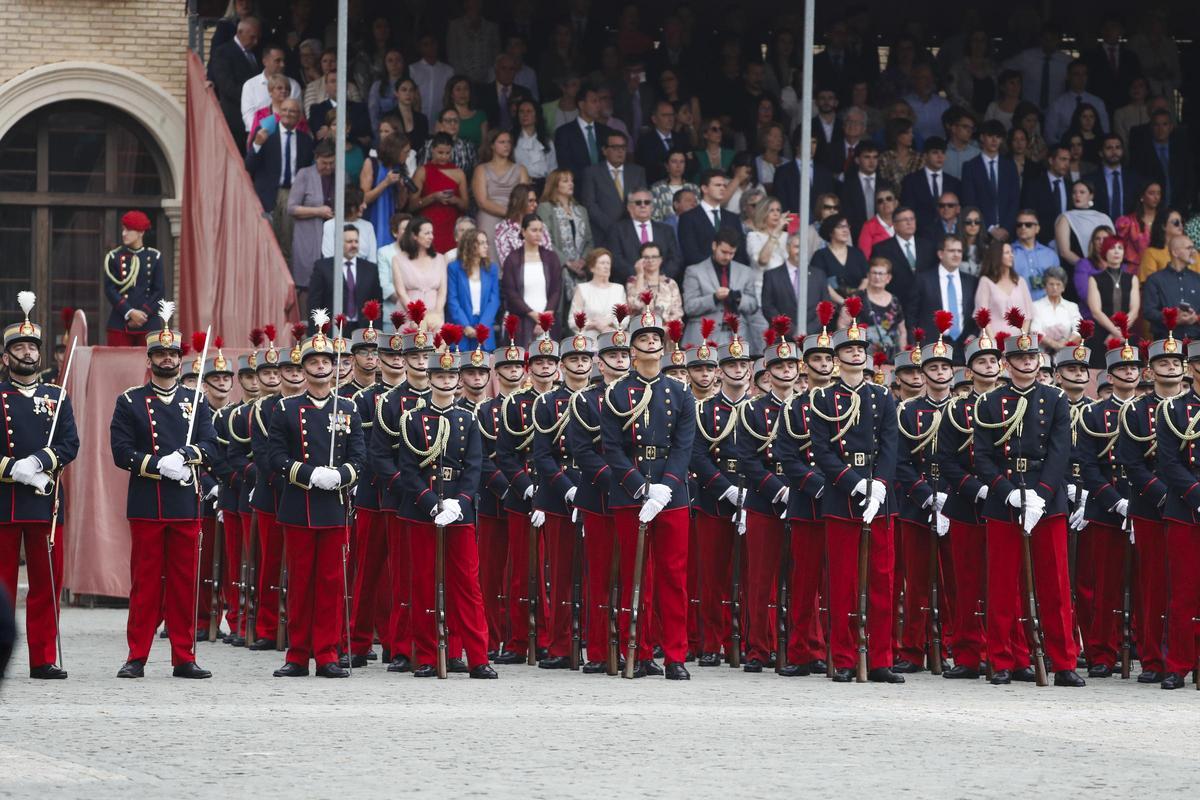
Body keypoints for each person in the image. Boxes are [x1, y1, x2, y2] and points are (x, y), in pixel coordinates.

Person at [973, 313, 1083, 686]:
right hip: (1006, 498)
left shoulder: (1054, 399)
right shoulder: (989, 403)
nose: (1026, 363)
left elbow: (1059, 451)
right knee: (1003, 585)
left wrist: (1041, 495)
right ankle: (1002, 660)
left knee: (1054, 583)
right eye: (1019, 359)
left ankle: (1064, 662)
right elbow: (983, 456)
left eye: (1032, 358)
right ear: (1007, 363)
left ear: (1039, 360)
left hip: (1046, 498)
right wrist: (1010, 494)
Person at [111, 303, 217, 679]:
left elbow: (211, 444)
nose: (168, 360)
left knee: (184, 584)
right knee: (144, 584)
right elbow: (121, 452)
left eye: (173, 354)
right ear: (150, 358)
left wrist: (186, 454)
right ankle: (136, 655)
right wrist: (158, 465)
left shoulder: (197, 401)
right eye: (161, 354)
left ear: (180, 359)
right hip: (146, 504)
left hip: (185, 503)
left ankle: (184, 656)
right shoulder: (130, 402)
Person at [386, 329, 496, 679]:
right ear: (430, 379)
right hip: (423, 512)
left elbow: (474, 467)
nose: (446, 381)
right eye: (440, 375)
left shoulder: (467, 420)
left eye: (452, 375)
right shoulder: (412, 420)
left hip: (459, 514)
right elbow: (407, 469)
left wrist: (458, 503)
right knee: (423, 585)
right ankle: (429, 655)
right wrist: (433, 503)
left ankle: (478, 656)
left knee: (467, 586)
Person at [598, 301, 697, 680]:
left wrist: (665, 489)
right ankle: (636, 651)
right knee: (637, 576)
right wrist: (641, 487)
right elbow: (613, 447)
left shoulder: (680, 393)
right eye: (644, 338)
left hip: (671, 496)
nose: (651, 343)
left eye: (657, 337)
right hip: (631, 492)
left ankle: (675, 654)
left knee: (674, 575)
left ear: (666, 347)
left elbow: (684, 445)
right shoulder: (617, 394)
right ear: (633, 350)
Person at [264, 315, 364, 679]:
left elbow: (360, 457)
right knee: (301, 583)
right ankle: (297, 654)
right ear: (303, 369)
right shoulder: (285, 409)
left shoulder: (349, 408)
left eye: (326, 362)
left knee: (331, 584)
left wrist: (340, 476)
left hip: (335, 506)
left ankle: (327, 654)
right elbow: (274, 457)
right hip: (299, 506)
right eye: (313, 362)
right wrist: (309, 475)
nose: (320, 367)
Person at [807, 311, 902, 683]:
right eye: (849, 348)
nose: (856, 354)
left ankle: (880, 658)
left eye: (861, 348)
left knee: (882, 580)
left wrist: (879, 484)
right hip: (842, 496)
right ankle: (844, 657)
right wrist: (855, 483)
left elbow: (891, 446)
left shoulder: (881, 396)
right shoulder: (824, 399)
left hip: (880, 498)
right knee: (843, 582)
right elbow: (822, 451)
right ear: (837, 357)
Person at [0, 293, 79, 679]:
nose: (27, 352)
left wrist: (40, 462)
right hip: (3, 502)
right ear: (5, 358)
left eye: (32, 346)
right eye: (19, 347)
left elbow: (70, 443)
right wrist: (13, 468)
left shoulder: (57, 396)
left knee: (47, 586)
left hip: (45, 502)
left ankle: (42, 658)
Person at [935, 322, 1002, 679]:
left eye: (994, 360)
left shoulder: (1011, 405)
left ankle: (1003, 651)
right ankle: (967, 653)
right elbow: (946, 459)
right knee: (965, 582)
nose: (989, 366)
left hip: (1004, 503)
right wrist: (976, 488)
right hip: (966, 501)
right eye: (982, 361)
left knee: (1005, 585)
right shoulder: (956, 410)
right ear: (968, 370)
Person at [1152, 339, 1200, 689]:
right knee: (1182, 591)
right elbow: (1167, 462)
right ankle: (1178, 663)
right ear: (1192, 368)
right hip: (1186, 507)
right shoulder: (1172, 410)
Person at [682, 228, 760, 346]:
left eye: (732, 253)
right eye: (724, 252)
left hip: (738, 336)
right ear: (714, 246)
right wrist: (714, 297)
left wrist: (739, 298)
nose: (728, 257)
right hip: (704, 336)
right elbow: (689, 307)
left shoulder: (746, 271)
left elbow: (753, 306)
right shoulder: (694, 271)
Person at [104, 211, 165, 347]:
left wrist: (142, 315)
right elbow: (110, 289)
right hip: (120, 322)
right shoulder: (114, 257)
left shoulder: (155, 256)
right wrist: (130, 312)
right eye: (123, 229)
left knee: (150, 365)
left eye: (129, 229)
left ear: (141, 232)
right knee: (119, 365)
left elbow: (159, 291)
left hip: (149, 322)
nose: (124, 233)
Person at [501, 215, 563, 345]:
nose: (538, 234)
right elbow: (510, 293)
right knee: (523, 361)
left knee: (549, 359)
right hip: (522, 319)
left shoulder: (551, 257)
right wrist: (534, 315)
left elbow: (556, 290)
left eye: (541, 230)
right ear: (523, 231)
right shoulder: (512, 259)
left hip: (548, 318)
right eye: (534, 230)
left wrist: (545, 318)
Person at [309, 226, 385, 334]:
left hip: (363, 330)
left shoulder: (370, 269)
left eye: (356, 241)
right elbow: (314, 303)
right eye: (349, 241)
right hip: (332, 330)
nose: (354, 245)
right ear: (339, 243)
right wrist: (315, 333)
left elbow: (377, 303)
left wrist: (377, 331)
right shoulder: (322, 267)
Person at [579, 130, 647, 248]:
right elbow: (589, 204)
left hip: (631, 233)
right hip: (602, 234)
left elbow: (642, 201)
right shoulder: (591, 172)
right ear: (604, 150)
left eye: (623, 147)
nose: (620, 151)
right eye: (615, 147)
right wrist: (611, 227)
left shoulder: (637, 172)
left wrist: (628, 226)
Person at [288, 139, 337, 299]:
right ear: (316, 158)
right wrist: (318, 211)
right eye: (324, 163)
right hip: (308, 237)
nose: (328, 167)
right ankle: (305, 322)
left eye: (332, 163)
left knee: (331, 284)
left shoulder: (341, 176)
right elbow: (291, 208)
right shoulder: (305, 174)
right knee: (306, 285)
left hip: (332, 238)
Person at [472, 129, 530, 254]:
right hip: (489, 215)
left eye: (509, 142)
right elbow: (482, 201)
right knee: (489, 253)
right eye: (502, 142)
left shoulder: (521, 169)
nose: (506, 145)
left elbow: (525, 198)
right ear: (492, 145)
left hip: (516, 218)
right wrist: (509, 213)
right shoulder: (481, 169)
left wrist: (514, 215)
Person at [410, 133, 469, 253]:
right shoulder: (422, 171)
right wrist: (433, 197)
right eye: (440, 153)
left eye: (447, 153)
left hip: (450, 225)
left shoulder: (459, 173)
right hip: (429, 225)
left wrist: (455, 200)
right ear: (432, 150)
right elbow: (412, 205)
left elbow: (466, 205)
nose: (444, 157)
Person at [961, 119, 1020, 238]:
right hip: (980, 232)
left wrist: (1006, 228)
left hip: (1007, 233)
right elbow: (970, 202)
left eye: (998, 137)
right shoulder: (970, 167)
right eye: (990, 136)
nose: (994, 140)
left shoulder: (1009, 166)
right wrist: (990, 228)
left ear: (1002, 139)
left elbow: (1015, 200)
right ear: (982, 137)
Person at [838, 256, 907, 358]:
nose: (877, 277)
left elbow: (902, 331)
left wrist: (903, 357)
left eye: (881, 274)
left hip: (891, 359)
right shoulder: (856, 298)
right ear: (868, 275)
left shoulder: (894, 301)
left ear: (888, 278)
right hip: (862, 358)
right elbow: (842, 325)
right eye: (874, 273)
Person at [609, 188, 681, 285]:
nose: (643, 205)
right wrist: (639, 276)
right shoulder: (617, 230)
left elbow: (675, 258)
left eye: (647, 202)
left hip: (662, 285)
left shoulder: (666, 230)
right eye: (638, 203)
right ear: (629, 207)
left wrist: (659, 276)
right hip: (629, 285)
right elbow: (616, 258)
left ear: (652, 207)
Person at [209, 15, 262, 143]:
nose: (256, 42)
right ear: (240, 32)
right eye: (252, 37)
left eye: (257, 38)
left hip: (255, 119)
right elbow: (227, 86)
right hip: (235, 120)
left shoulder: (255, 54)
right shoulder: (223, 52)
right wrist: (252, 98)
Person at [446, 228, 501, 351]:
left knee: (484, 368)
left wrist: (482, 327)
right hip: (462, 327)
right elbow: (452, 300)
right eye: (481, 243)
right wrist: (465, 326)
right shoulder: (454, 268)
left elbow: (494, 300)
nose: (486, 246)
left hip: (484, 326)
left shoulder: (491, 269)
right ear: (469, 245)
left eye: (486, 243)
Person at [390, 217, 448, 331]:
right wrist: (417, 317)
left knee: (436, 348)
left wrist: (437, 314)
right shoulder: (398, 259)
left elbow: (442, 291)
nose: (431, 236)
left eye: (432, 233)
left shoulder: (440, 259)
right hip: (409, 317)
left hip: (435, 318)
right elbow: (401, 292)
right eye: (427, 233)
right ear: (414, 235)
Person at [678, 170, 743, 267]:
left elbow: (741, 251)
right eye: (718, 185)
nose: (722, 188)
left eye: (724, 186)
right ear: (704, 188)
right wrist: (715, 267)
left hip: (731, 275)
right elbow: (690, 253)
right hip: (701, 275)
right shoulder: (687, 218)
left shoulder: (733, 218)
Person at [359, 132, 412, 251]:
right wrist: (386, 183)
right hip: (372, 219)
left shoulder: (400, 168)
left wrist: (402, 189)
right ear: (395, 150)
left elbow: (400, 205)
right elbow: (363, 199)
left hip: (391, 223)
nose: (408, 156)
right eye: (405, 152)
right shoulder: (371, 163)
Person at [1087, 235, 1141, 354]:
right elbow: (1096, 312)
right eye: (1112, 247)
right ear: (1105, 251)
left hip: (1126, 335)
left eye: (1120, 248)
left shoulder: (1132, 279)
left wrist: (1118, 333)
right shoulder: (1095, 279)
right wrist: (1115, 333)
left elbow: (1134, 310)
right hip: (1102, 335)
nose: (1116, 251)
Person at [1142, 235, 1200, 341]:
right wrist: (1172, 318)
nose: (1193, 252)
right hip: (1166, 343)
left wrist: (1195, 318)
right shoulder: (1155, 279)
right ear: (1175, 252)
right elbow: (1148, 312)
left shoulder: (1197, 279)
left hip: (1196, 342)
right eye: (1189, 248)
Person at [902, 137, 962, 237]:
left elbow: (958, 212)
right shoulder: (911, 181)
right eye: (935, 152)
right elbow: (908, 210)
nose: (940, 156)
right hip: (920, 235)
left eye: (943, 153)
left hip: (949, 236)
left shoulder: (954, 182)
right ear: (925, 156)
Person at [553, 83, 611, 180]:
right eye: (594, 101)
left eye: (599, 101)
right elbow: (565, 165)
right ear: (582, 105)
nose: (599, 105)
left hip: (604, 187)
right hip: (578, 188)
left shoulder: (606, 131)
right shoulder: (564, 133)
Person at [1045, 60, 1109, 145]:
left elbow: (1105, 131)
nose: (1081, 78)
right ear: (1068, 76)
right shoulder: (1057, 104)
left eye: (1084, 74)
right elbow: (1050, 136)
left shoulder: (1098, 103)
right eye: (1076, 74)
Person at [975, 241, 1034, 335]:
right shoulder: (986, 281)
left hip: (1018, 343)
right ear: (997, 256)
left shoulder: (1020, 281)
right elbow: (982, 317)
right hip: (992, 342)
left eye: (1011, 252)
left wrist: (1023, 338)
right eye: (1007, 253)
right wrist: (995, 343)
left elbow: (1028, 315)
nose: (1012, 255)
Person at [812, 214, 869, 305]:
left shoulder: (857, 253)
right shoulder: (820, 255)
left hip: (858, 305)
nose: (845, 230)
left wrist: (856, 299)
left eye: (847, 226)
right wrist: (844, 303)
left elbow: (866, 279)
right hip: (830, 308)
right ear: (830, 231)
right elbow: (821, 283)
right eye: (840, 227)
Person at [569, 249, 626, 335]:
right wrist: (594, 324)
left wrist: (609, 322)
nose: (606, 266)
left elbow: (625, 319)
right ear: (592, 268)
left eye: (608, 263)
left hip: (614, 341)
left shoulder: (619, 289)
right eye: (602, 263)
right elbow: (573, 321)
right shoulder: (582, 289)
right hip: (588, 342)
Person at [1021, 145, 1072, 241]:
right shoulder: (1034, 185)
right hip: (1041, 242)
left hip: (1067, 241)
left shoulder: (1071, 186)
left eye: (1069, 160)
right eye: (1063, 159)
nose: (1067, 164)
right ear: (1051, 160)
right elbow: (1029, 214)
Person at [626, 241, 684, 325]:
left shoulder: (670, 283)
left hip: (666, 331)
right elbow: (634, 305)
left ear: (661, 259)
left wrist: (664, 329)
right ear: (640, 260)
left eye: (654, 257)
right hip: (641, 331)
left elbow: (677, 313)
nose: (650, 260)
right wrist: (640, 274)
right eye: (646, 257)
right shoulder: (633, 281)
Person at [247, 74, 311, 148]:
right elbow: (254, 143)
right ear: (270, 91)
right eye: (279, 88)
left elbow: (305, 139)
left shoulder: (296, 114)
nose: (284, 91)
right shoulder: (261, 114)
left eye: (287, 89)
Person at [1030, 266, 1083, 351]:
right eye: (1051, 284)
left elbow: (1079, 329)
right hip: (1042, 355)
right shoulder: (1036, 306)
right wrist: (1055, 345)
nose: (1055, 288)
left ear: (1063, 287)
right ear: (1045, 286)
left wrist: (1066, 343)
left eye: (1058, 284)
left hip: (1066, 353)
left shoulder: (1072, 307)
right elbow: (1035, 331)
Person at [497, 183, 552, 266]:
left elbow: (549, 255)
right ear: (517, 202)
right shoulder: (503, 228)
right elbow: (506, 262)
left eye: (535, 201)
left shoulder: (541, 226)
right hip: (516, 276)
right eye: (530, 201)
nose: (535, 204)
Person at [320, 185, 376, 265]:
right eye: (361, 203)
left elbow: (372, 260)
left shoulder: (368, 226)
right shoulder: (330, 225)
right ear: (351, 206)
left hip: (364, 274)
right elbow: (328, 257)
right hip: (337, 273)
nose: (365, 206)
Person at [1010, 209, 1058, 301]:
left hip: (1045, 306)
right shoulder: (1008, 252)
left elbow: (1057, 284)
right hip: (1017, 305)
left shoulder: (1050, 254)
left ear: (1037, 228)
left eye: (1028, 225)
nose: (1023, 227)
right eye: (1019, 225)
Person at [839, 141, 883, 238]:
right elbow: (846, 214)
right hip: (855, 236)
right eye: (867, 157)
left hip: (882, 237)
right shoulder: (847, 185)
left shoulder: (886, 185)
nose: (872, 161)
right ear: (857, 160)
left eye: (875, 157)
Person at [513, 98, 557, 192]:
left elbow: (553, 168)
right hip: (520, 186)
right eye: (521, 111)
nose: (525, 115)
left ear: (536, 115)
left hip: (544, 186)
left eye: (529, 111)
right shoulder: (512, 140)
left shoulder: (547, 141)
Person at [417, 109, 479, 175]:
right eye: (448, 121)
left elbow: (475, 173)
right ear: (440, 124)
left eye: (456, 121)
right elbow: (422, 172)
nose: (453, 123)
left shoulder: (468, 146)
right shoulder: (429, 145)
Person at [1138, 208, 1190, 282]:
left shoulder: (1191, 253)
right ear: (1163, 226)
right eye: (1176, 223)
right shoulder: (1151, 253)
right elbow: (1149, 284)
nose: (1181, 225)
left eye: (1182, 222)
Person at [365, 48, 407, 138]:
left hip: (405, 135)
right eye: (390, 60)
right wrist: (378, 134)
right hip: (383, 135)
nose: (394, 64)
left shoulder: (410, 85)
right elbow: (373, 114)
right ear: (385, 64)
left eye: (398, 60)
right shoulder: (377, 86)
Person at [650, 148, 699, 223]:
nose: (678, 166)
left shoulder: (693, 188)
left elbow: (699, 213)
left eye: (682, 162)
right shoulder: (657, 188)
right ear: (666, 165)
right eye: (674, 162)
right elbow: (655, 217)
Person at [636, 101, 680, 185]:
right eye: (665, 115)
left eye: (672, 115)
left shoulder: (682, 138)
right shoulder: (645, 141)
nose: (670, 119)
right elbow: (647, 168)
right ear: (654, 119)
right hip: (656, 186)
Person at [745, 197, 791, 272]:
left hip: (785, 282)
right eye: (771, 210)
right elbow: (763, 261)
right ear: (762, 213)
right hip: (762, 282)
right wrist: (775, 232)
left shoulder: (787, 236)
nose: (776, 214)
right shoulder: (754, 236)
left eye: (778, 210)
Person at [879, 118, 924, 192]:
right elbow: (883, 183)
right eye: (907, 133)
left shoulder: (920, 158)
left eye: (912, 132)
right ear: (897, 134)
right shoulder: (884, 158)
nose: (912, 136)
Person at [856, 183, 899, 256]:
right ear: (876, 206)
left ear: (896, 203)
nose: (885, 202)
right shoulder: (868, 227)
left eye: (889, 199)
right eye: (880, 201)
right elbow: (864, 257)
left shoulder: (903, 221)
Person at [942, 108, 981, 181]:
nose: (969, 131)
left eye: (972, 128)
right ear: (953, 128)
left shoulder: (977, 154)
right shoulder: (941, 151)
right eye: (965, 127)